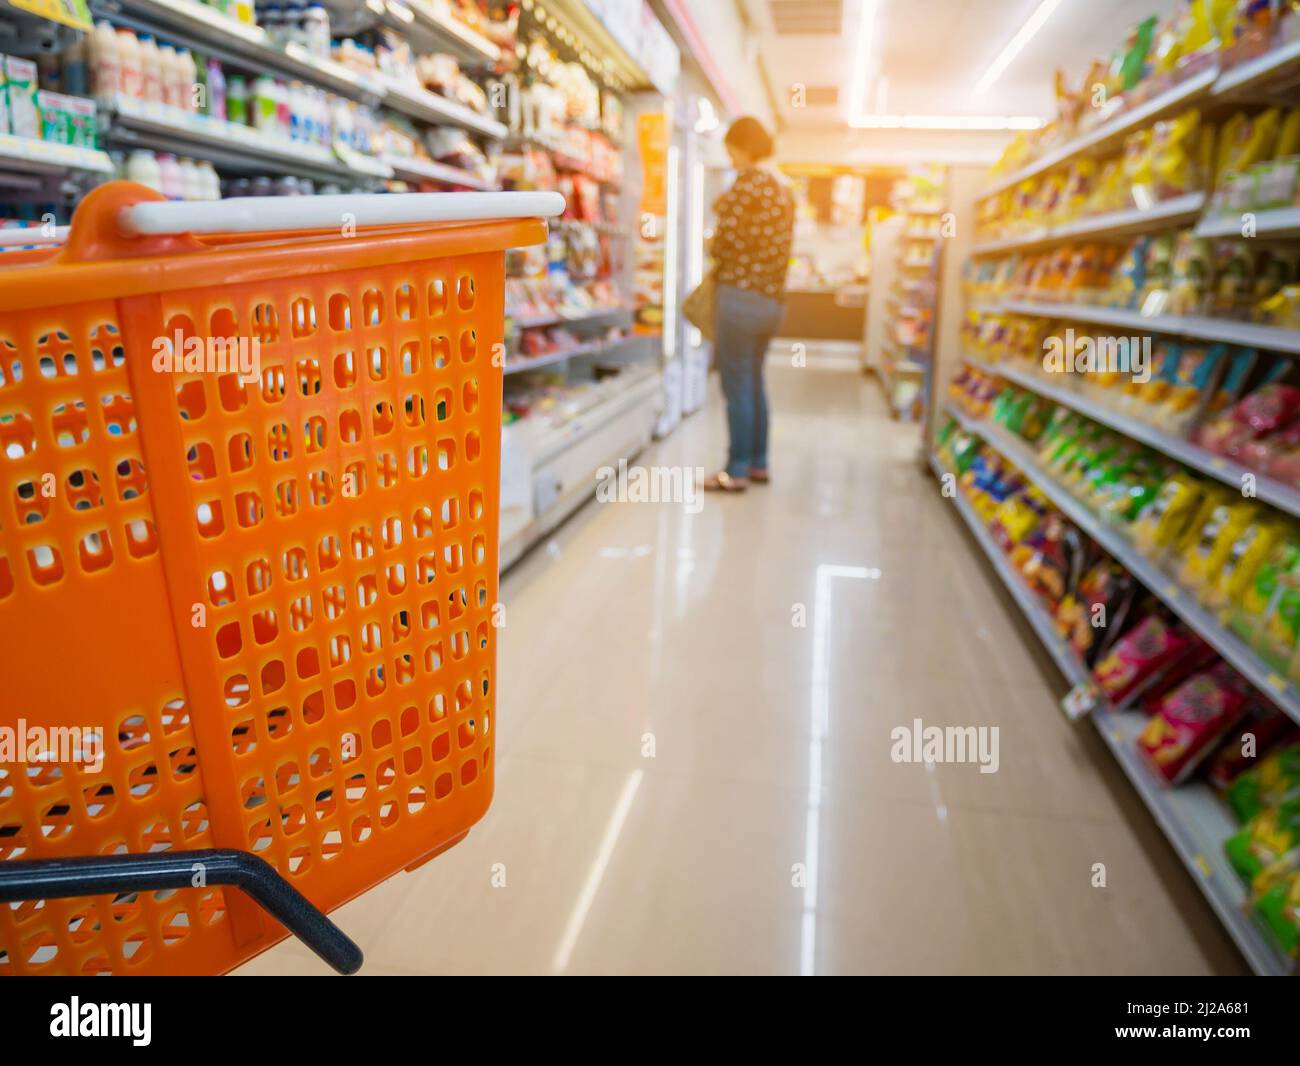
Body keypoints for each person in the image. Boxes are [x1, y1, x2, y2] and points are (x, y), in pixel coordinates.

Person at [703, 116, 795, 493]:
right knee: (754, 381)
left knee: (736, 383)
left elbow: (724, 244)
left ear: (743, 147)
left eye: (732, 151)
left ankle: (735, 469)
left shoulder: (746, 185)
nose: (732, 159)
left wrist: (712, 240)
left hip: (739, 298)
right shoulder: (784, 188)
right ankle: (758, 462)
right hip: (772, 302)